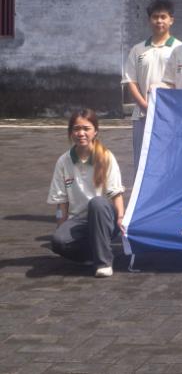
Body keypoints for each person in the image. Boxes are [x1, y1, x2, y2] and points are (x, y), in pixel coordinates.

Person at [47, 110, 126, 277]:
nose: (81, 133)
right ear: (71, 132)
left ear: (95, 131)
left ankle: (104, 263)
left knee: (97, 203)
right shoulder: (63, 161)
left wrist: (120, 218)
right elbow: (61, 201)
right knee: (58, 242)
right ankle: (91, 254)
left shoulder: (106, 156)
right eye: (76, 129)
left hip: (103, 216)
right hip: (79, 220)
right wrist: (61, 225)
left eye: (86, 128)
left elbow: (116, 193)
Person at [122, 0, 182, 167]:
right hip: (143, 114)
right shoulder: (138, 49)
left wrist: (165, 108)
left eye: (163, 17)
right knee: (143, 161)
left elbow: (181, 82)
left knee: (170, 160)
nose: (159, 21)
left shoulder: (180, 49)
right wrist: (144, 106)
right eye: (155, 17)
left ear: (171, 20)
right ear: (149, 20)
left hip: (171, 115)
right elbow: (131, 81)